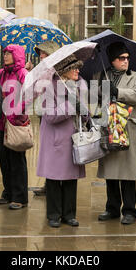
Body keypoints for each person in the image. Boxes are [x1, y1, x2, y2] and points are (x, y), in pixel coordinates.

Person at [94, 41, 136, 225]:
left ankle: (130, 210)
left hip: (126, 128)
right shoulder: (100, 75)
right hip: (107, 126)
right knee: (111, 171)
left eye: (127, 58)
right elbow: (93, 100)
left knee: (127, 172)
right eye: (121, 58)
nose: (125, 61)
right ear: (112, 60)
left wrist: (118, 91)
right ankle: (112, 208)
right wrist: (100, 92)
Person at [36, 54, 87, 227]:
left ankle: (69, 214)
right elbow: (50, 116)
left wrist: (84, 111)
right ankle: (53, 214)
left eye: (78, 67)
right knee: (54, 179)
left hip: (73, 139)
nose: (78, 70)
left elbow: (86, 113)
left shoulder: (82, 85)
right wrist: (73, 105)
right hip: (55, 140)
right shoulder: (50, 87)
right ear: (64, 71)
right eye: (74, 68)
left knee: (71, 178)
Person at [0, 44, 29, 210]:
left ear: (17, 55)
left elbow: (28, 97)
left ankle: (20, 197)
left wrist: (15, 112)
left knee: (17, 161)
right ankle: (8, 192)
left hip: (17, 123)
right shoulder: (4, 72)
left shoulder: (23, 74)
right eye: (4, 53)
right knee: (4, 160)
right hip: (3, 123)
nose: (5, 56)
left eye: (8, 53)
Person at [28, 41, 61, 196]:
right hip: (45, 114)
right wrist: (30, 73)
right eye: (40, 53)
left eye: (44, 53)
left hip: (58, 117)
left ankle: (55, 184)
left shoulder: (56, 71)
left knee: (56, 152)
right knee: (48, 150)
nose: (41, 56)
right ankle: (49, 184)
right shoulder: (43, 70)